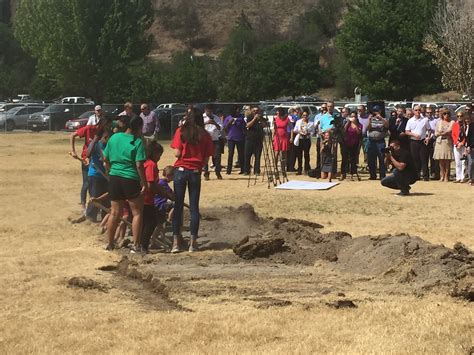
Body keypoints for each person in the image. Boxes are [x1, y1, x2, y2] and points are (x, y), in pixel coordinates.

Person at [170, 108, 214, 253]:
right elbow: (206, 159)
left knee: (178, 206)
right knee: (194, 208)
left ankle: (176, 242)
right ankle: (193, 243)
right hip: (195, 172)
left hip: (181, 171)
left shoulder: (181, 131)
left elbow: (177, 153)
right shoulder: (205, 135)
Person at [103, 115, 147, 252]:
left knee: (115, 212)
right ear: (139, 128)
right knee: (137, 213)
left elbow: (105, 158)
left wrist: (110, 171)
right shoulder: (138, 142)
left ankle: (110, 243)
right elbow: (139, 164)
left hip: (115, 177)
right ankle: (136, 245)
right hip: (130, 178)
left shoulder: (115, 137)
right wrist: (144, 183)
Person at [140, 141, 174, 253]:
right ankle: (143, 246)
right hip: (147, 199)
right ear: (154, 153)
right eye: (159, 155)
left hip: (145, 198)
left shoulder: (145, 163)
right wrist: (165, 194)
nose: (159, 158)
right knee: (151, 222)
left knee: (146, 222)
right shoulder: (151, 165)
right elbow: (151, 184)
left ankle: (141, 244)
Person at [85, 118, 112, 222]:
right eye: (106, 137)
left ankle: (105, 218)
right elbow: (88, 154)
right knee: (95, 196)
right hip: (96, 174)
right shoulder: (97, 144)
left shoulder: (109, 144)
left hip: (107, 175)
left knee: (106, 199)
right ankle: (90, 217)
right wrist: (95, 140)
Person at [70, 118, 99, 212]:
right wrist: (73, 151)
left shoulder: (105, 132)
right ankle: (83, 206)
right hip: (86, 159)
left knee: (96, 185)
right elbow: (73, 135)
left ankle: (94, 207)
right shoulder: (89, 128)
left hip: (98, 160)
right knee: (86, 183)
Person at [405, 105, 431, 180]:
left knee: (424, 159)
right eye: (416, 110)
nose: (418, 111)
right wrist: (414, 134)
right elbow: (407, 131)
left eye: (419, 110)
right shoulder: (410, 121)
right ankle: (416, 175)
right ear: (413, 111)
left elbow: (429, 129)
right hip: (413, 142)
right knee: (415, 159)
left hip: (422, 141)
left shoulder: (425, 120)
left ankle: (426, 176)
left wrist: (428, 137)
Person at [366, 106, 388, 180]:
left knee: (381, 158)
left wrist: (381, 118)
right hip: (371, 140)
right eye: (374, 111)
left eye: (377, 111)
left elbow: (387, 125)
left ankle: (382, 175)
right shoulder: (371, 119)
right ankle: (373, 175)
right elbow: (367, 128)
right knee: (371, 159)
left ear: (380, 111)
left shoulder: (384, 119)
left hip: (380, 141)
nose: (376, 112)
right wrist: (369, 120)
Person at [203, 104, 224, 180]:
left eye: (211, 111)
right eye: (208, 111)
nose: (209, 112)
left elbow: (221, 128)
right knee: (205, 157)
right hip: (205, 140)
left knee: (217, 157)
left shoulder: (216, 118)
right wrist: (206, 123)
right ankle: (206, 173)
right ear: (205, 110)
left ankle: (218, 172)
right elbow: (198, 127)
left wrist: (214, 123)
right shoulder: (202, 117)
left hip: (215, 140)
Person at [433, 109, 454, 182]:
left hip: (447, 142)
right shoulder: (439, 122)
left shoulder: (452, 122)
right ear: (442, 115)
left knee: (447, 160)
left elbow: (449, 131)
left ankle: (446, 175)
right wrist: (441, 133)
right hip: (439, 142)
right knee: (441, 160)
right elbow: (435, 133)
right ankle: (442, 174)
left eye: (448, 113)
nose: (446, 115)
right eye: (444, 113)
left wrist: (441, 132)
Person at [224, 105, 246, 175]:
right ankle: (229, 170)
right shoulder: (228, 118)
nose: (238, 111)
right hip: (231, 138)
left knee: (241, 154)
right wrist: (229, 123)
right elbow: (225, 128)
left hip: (240, 138)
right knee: (230, 154)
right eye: (237, 109)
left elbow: (244, 127)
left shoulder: (241, 117)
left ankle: (243, 169)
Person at [244, 106, 265, 176]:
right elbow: (248, 125)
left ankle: (257, 171)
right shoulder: (249, 117)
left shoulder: (261, 117)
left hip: (258, 140)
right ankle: (246, 170)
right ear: (252, 111)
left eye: (257, 111)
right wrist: (254, 119)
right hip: (250, 139)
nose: (255, 112)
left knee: (257, 156)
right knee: (247, 155)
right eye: (254, 111)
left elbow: (264, 125)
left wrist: (260, 120)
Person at [293, 111, 314, 175]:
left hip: (307, 140)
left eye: (306, 115)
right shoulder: (299, 122)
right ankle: (299, 169)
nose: (305, 116)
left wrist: (308, 133)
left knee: (306, 155)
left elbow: (313, 132)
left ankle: (306, 169)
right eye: (304, 115)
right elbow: (295, 130)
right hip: (300, 139)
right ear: (302, 116)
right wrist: (299, 132)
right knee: (299, 155)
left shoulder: (311, 123)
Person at [343, 111, 362, 180]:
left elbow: (359, 132)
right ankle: (345, 172)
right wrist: (348, 122)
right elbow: (344, 130)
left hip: (355, 144)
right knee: (346, 158)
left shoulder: (359, 125)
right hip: (347, 143)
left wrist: (355, 124)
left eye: (354, 116)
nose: (353, 118)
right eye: (351, 116)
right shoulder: (348, 124)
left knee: (353, 159)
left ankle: (353, 173)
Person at [273, 107, 290, 173]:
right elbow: (274, 128)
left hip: (284, 138)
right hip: (277, 137)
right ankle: (275, 167)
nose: (277, 113)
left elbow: (291, 127)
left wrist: (291, 137)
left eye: (278, 111)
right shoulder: (275, 119)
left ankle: (283, 168)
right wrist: (272, 136)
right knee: (276, 153)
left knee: (283, 154)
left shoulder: (286, 119)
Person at [452, 111, 468, 183]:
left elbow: (466, 135)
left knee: (463, 162)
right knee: (457, 162)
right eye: (458, 116)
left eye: (461, 116)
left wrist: (462, 143)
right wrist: (457, 142)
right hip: (456, 145)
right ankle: (458, 177)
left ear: (463, 116)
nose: (459, 118)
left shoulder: (466, 125)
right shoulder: (455, 124)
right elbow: (453, 135)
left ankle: (463, 177)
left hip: (463, 145)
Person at [426, 107, 440, 180]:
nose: (429, 114)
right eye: (428, 112)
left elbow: (436, 131)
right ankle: (425, 174)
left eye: (430, 112)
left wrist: (430, 137)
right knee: (424, 157)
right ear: (425, 113)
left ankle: (433, 173)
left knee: (432, 158)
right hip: (424, 140)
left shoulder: (435, 121)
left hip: (432, 140)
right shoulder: (423, 120)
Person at [465, 114, 474, 185]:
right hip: (471, 147)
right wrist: (468, 146)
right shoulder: (471, 126)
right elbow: (469, 137)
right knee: (471, 163)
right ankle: (471, 178)